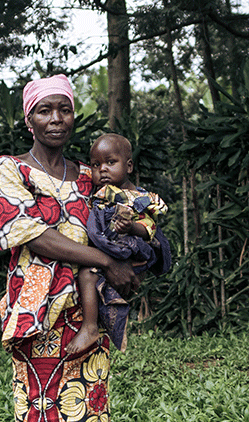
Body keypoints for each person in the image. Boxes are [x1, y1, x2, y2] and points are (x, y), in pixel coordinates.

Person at [0, 74, 138, 422]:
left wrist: (136, 248)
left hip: (87, 314)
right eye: (44, 110)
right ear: (27, 118)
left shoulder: (90, 174)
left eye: (64, 110)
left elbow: (127, 211)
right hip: (36, 318)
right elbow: (30, 235)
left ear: (74, 115)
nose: (55, 119)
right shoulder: (8, 171)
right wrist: (102, 258)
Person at [67, 133, 172, 356]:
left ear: (129, 166)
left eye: (110, 162)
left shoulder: (138, 197)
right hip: (110, 252)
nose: (102, 169)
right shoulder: (100, 195)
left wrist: (132, 228)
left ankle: (90, 326)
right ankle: (102, 324)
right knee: (89, 277)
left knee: (88, 274)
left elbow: (150, 228)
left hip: (133, 253)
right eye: (96, 165)